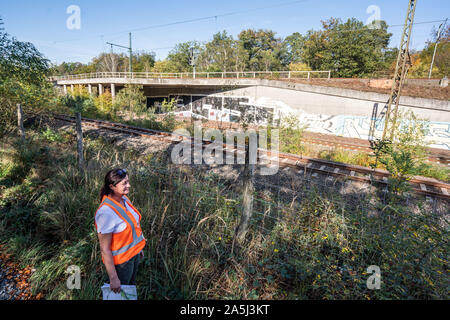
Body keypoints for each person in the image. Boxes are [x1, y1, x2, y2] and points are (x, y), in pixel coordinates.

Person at [95, 168, 146, 293]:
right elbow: (105, 249)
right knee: (121, 293)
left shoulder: (124, 199)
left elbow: (133, 226)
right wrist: (113, 278)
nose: (129, 185)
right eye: (124, 183)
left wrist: (138, 248)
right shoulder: (105, 213)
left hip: (134, 257)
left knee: (129, 290)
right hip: (122, 264)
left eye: (128, 181)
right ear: (112, 186)